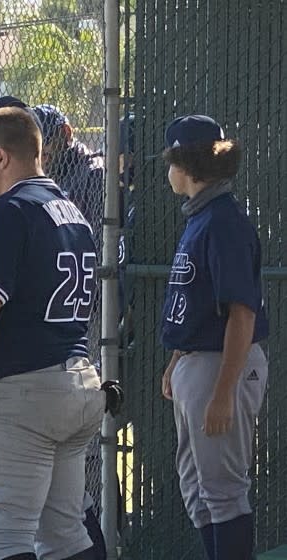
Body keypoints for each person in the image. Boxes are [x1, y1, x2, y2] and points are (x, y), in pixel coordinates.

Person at [0, 107, 114, 560]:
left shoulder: (7, 211)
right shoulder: (70, 211)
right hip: (75, 379)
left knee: (3, 537)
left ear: (2, 157)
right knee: (66, 534)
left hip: (20, 392)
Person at [159, 114, 268, 560]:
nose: (167, 171)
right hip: (197, 362)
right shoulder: (202, 216)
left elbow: (242, 313)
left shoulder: (223, 221)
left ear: (186, 164)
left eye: (170, 161)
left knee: (222, 492)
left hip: (222, 366)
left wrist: (224, 392)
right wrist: (175, 362)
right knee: (196, 489)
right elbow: (198, 303)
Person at [32, 104, 105, 238]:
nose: (40, 152)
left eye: (45, 142)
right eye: (33, 146)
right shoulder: (44, 174)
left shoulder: (94, 172)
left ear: (66, 132)